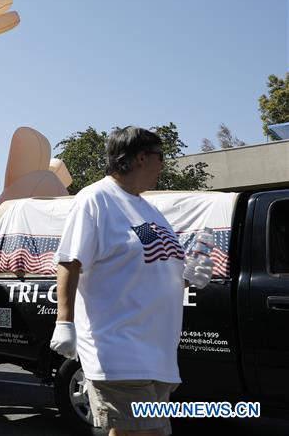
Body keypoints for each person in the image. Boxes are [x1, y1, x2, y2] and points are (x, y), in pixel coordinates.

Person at [50, 127, 213, 436]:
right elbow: (70, 261)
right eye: (160, 157)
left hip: (158, 354)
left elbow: (152, 268)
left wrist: (189, 277)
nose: (163, 165)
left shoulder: (146, 209)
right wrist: (64, 322)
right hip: (119, 351)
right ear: (140, 158)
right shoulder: (96, 199)